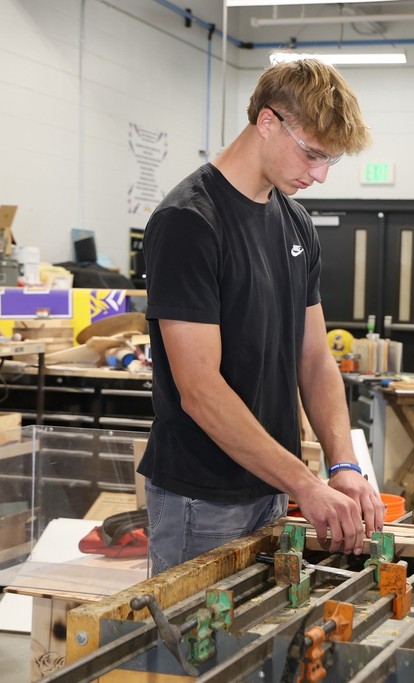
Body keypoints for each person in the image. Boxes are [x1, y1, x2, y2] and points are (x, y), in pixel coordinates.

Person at [137, 59, 385, 576]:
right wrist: (304, 483)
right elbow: (200, 390)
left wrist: (341, 466)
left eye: (329, 162)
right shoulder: (189, 221)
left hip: (271, 488)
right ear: (268, 122)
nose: (318, 174)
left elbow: (315, 361)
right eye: (313, 154)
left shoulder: (296, 223)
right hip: (200, 500)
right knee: (196, 653)